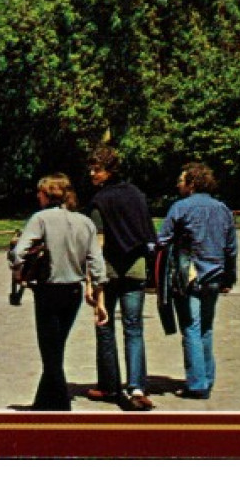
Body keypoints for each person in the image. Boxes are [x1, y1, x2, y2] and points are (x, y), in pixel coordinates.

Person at [10, 173, 108, 411]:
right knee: (56, 347)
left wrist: (17, 268)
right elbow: (96, 262)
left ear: (46, 194)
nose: (37, 197)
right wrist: (99, 296)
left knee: (50, 351)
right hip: (73, 291)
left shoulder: (40, 219)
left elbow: (18, 252)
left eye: (39, 193)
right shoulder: (84, 222)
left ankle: (62, 405)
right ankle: (43, 403)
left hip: (48, 290)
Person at [157, 162, 238, 401]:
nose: (178, 184)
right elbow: (231, 248)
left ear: (192, 183)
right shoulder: (223, 209)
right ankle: (207, 377)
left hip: (189, 275)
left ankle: (196, 384)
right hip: (215, 275)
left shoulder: (180, 208)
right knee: (206, 327)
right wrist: (229, 277)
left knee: (190, 328)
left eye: (182, 180)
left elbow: (162, 239)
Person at [86, 146, 158, 411]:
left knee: (104, 325)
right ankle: (137, 385)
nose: (92, 173)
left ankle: (109, 384)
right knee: (134, 328)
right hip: (136, 267)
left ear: (109, 170)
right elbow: (148, 232)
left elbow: (98, 242)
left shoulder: (99, 201)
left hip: (110, 269)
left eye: (96, 168)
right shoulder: (136, 195)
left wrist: (94, 280)